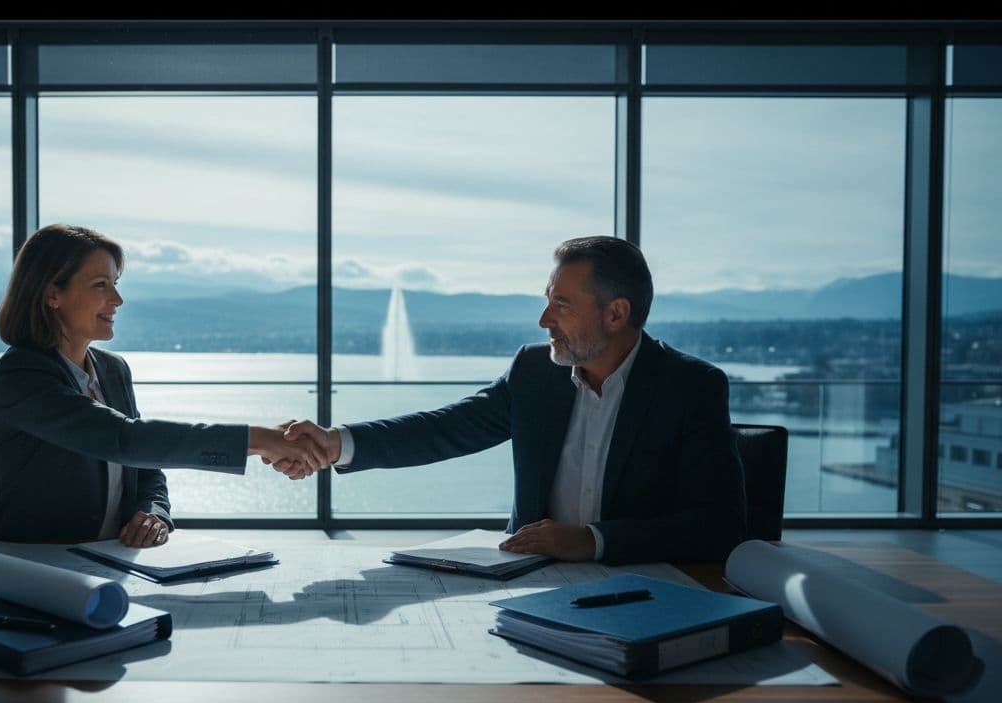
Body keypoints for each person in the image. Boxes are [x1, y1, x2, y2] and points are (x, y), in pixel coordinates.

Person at [278, 236, 746, 565]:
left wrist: (592, 541)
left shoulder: (691, 386)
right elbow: (446, 429)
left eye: (561, 304)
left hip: (647, 592)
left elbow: (720, 525)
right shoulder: (535, 372)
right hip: (532, 587)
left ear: (616, 313)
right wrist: (337, 442)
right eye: (547, 300)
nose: (544, 319)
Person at [0, 224, 329, 546]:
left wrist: (154, 512)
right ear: (52, 294)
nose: (117, 299)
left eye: (116, 284)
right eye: (101, 285)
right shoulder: (20, 375)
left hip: (107, 560)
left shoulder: (112, 370)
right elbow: (124, 439)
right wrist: (260, 439)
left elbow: (145, 466)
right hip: (29, 564)